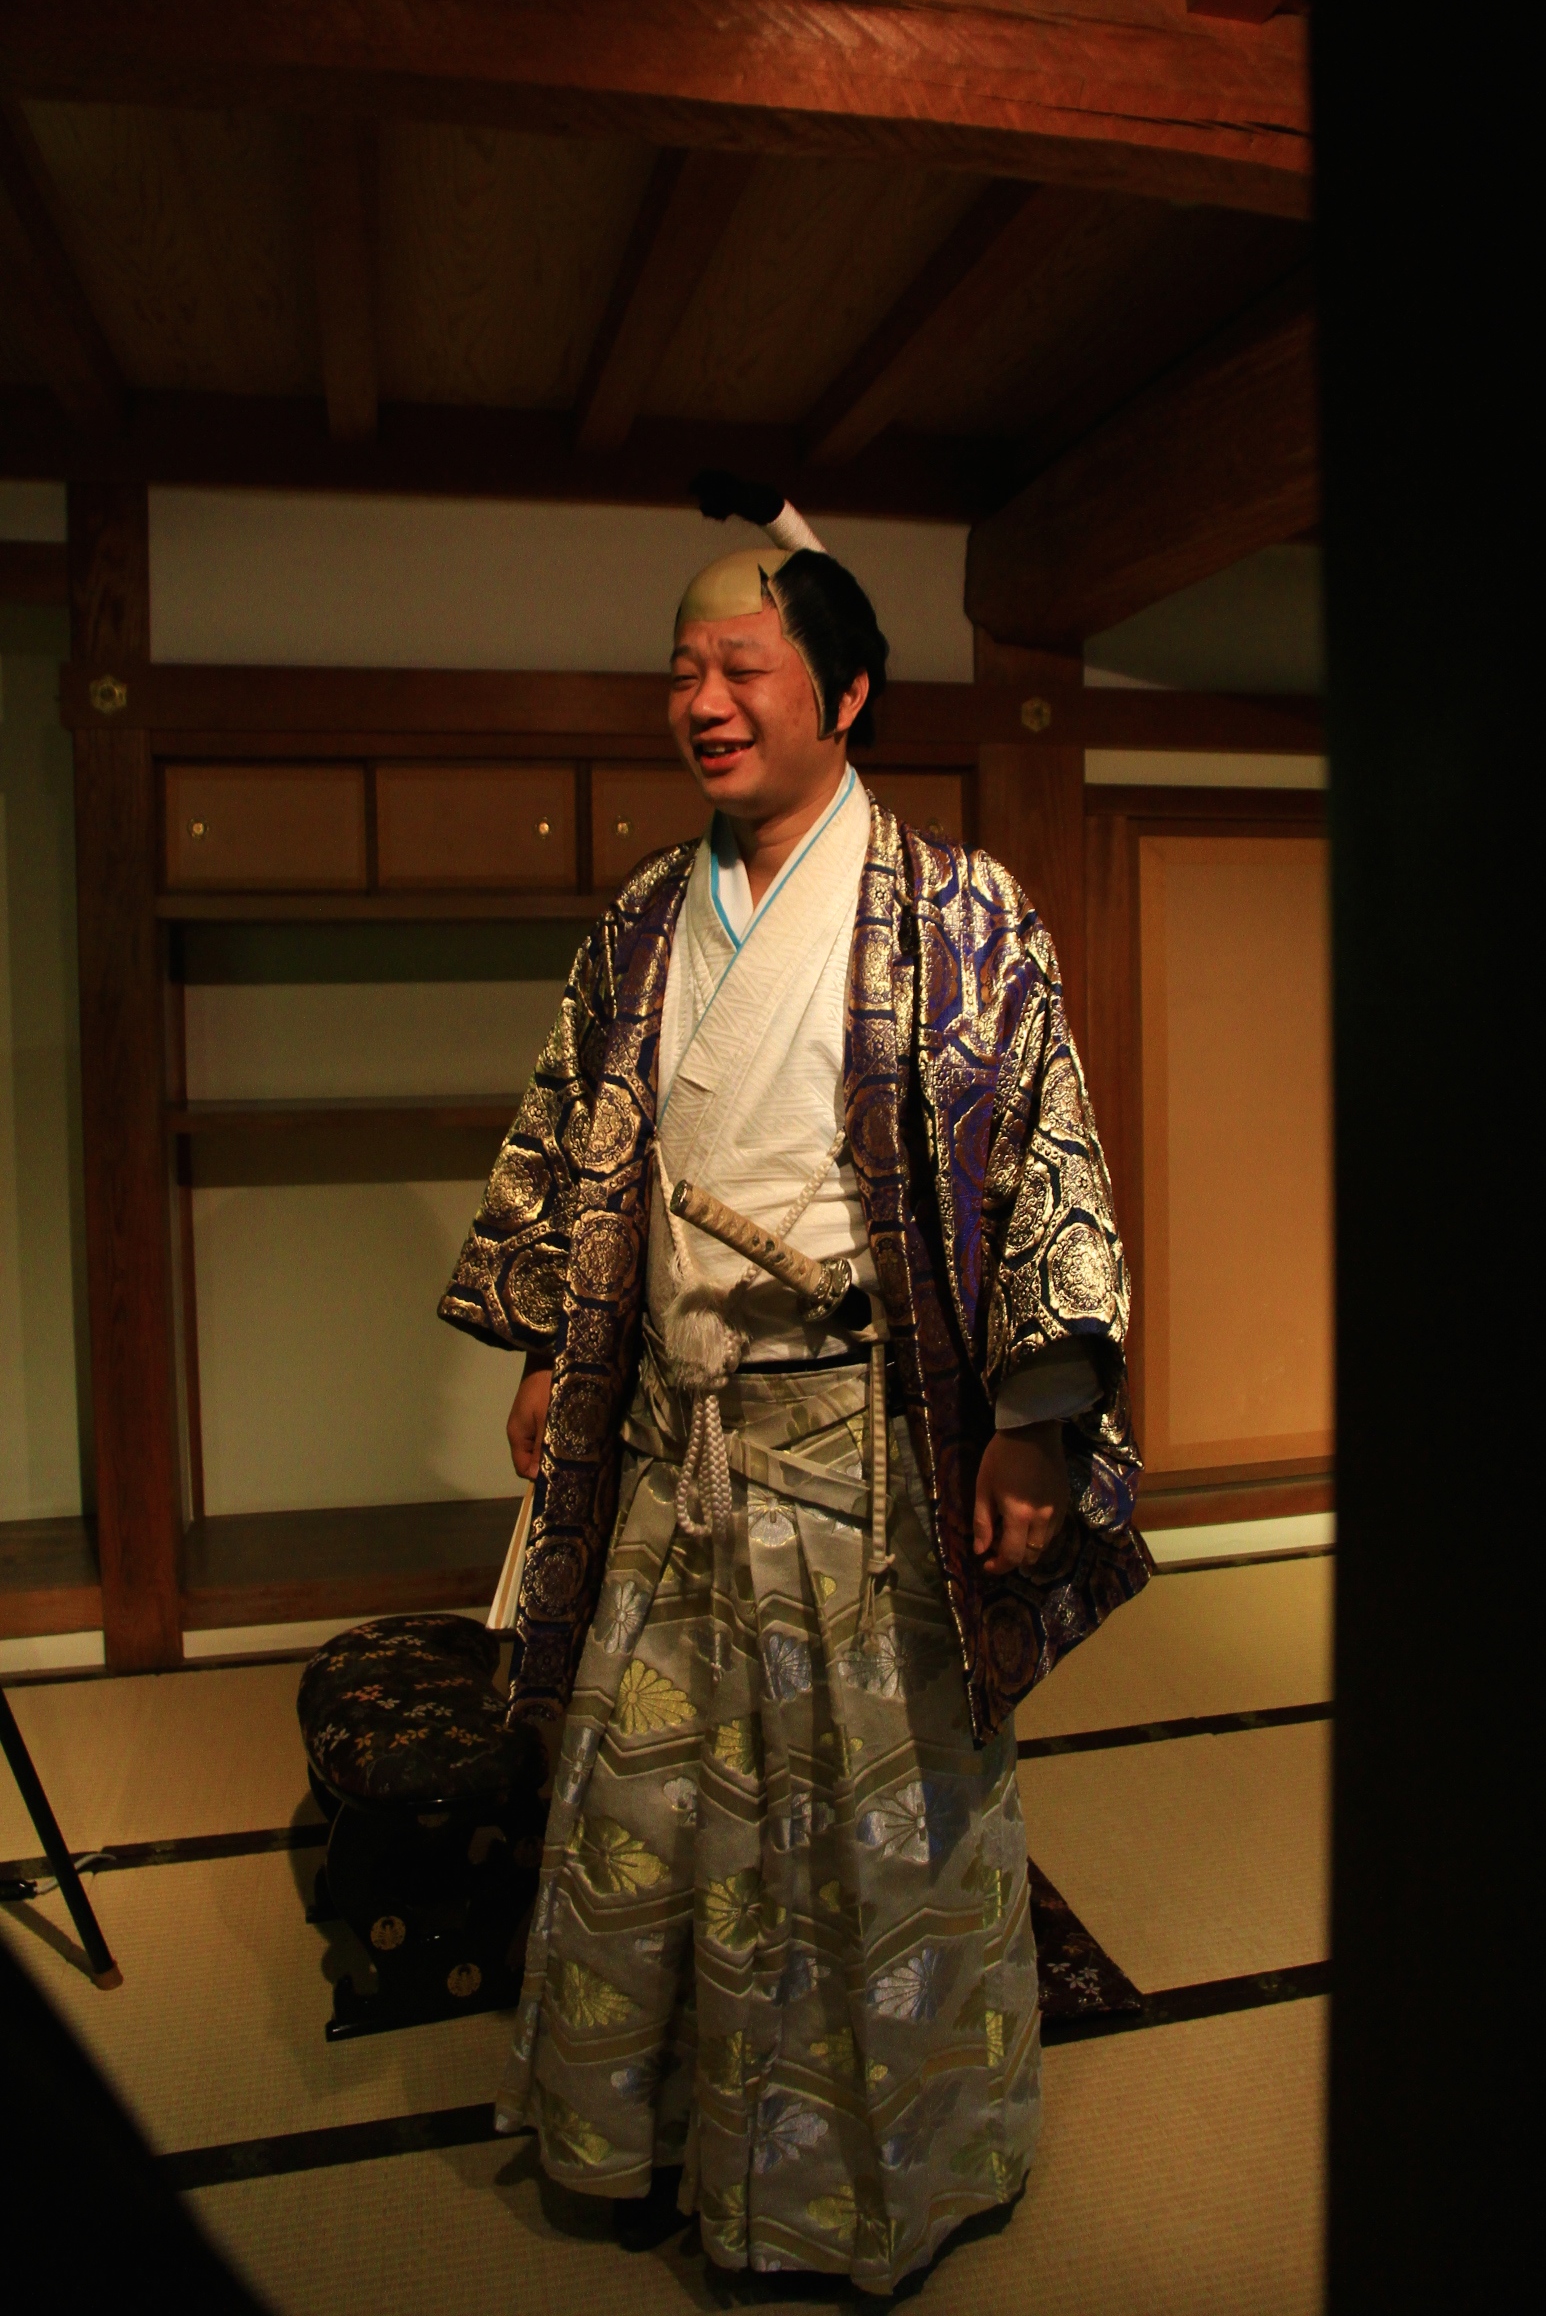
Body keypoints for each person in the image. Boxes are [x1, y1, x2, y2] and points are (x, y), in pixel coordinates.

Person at [439, 474, 1148, 2293]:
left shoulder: (962, 916)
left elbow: (1047, 1167)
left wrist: (1037, 1424)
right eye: (683, 669)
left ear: (844, 694)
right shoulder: (641, 923)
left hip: (868, 1454)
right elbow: (574, 1143)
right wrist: (557, 1344)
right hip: (675, 1441)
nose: (702, 701)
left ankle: (877, 2179)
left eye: (741, 668)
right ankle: (645, 2134)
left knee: (875, 1834)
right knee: (647, 1804)